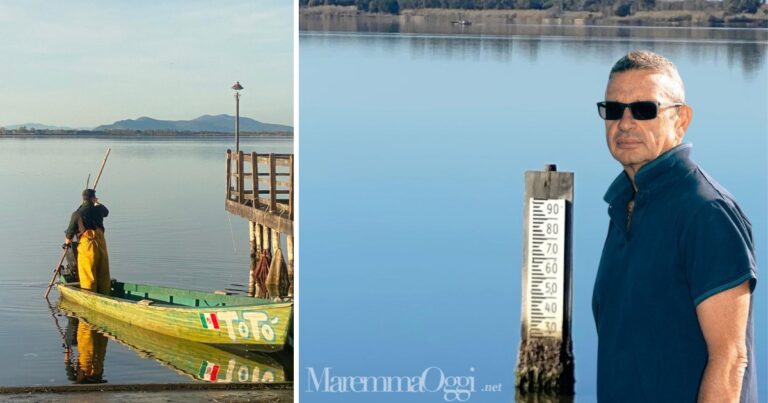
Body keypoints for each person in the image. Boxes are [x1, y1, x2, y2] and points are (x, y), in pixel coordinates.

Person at [592, 50, 757, 402]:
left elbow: (730, 360)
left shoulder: (706, 212)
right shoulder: (624, 204)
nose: (624, 123)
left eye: (644, 110)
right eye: (613, 109)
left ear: (681, 120)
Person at [64, 189, 111, 295]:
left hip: (87, 246)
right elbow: (106, 212)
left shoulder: (77, 214)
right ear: (93, 198)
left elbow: (69, 234)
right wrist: (97, 202)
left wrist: (66, 244)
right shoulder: (99, 209)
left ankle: (90, 294)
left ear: (83, 199)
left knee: (88, 272)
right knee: (103, 271)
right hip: (101, 244)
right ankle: (105, 293)